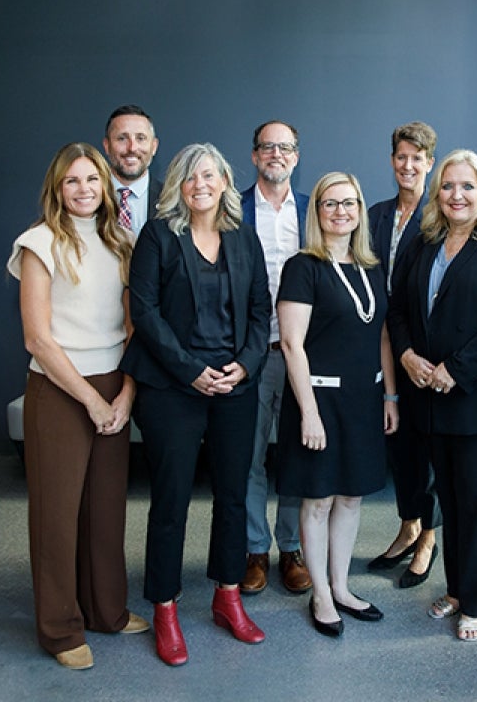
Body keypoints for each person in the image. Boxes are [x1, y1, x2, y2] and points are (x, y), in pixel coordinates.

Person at [121, 143, 271, 666]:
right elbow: (145, 312)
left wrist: (246, 365)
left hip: (234, 386)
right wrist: (190, 370)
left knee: (233, 495)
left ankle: (227, 596)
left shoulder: (244, 238)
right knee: (171, 499)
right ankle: (164, 607)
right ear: (177, 186)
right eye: (189, 177)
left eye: (208, 175)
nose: (199, 184)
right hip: (172, 387)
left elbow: (260, 312)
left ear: (225, 181)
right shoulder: (158, 236)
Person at [6, 142, 148, 671]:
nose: (84, 189)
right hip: (61, 389)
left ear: (106, 186)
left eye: (93, 179)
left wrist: (125, 394)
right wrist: (91, 400)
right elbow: (37, 339)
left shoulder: (122, 242)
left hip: (115, 383)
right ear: (57, 189)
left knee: (106, 511)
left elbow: (135, 327)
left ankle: (106, 611)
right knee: (57, 516)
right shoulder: (38, 243)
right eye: (73, 181)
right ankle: (60, 628)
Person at [387, 149, 477, 642]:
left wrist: (457, 368)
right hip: (431, 399)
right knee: (450, 500)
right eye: (448, 187)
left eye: (468, 186)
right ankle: (456, 589)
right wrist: (406, 354)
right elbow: (399, 307)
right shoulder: (424, 242)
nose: (457, 195)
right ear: (437, 195)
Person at [277, 172, 399, 637]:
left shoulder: (371, 267)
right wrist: (308, 412)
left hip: (364, 398)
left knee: (350, 496)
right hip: (320, 399)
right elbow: (291, 344)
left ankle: (342, 586)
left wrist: (389, 394)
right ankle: (321, 594)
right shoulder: (302, 267)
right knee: (319, 498)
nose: (341, 211)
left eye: (349, 202)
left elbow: (383, 333)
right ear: (317, 212)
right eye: (330, 203)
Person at [238, 120, 313, 595]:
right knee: (248, 458)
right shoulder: (233, 210)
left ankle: (290, 548)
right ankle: (252, 550)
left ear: (296, 156)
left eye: (285, 148)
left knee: (295, 456)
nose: (276, 155)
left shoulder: (313, 212)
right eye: (267, 147)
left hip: (302, 356)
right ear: (254, 156)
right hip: (252, 355)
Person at [366, 122, 442, 588]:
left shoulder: (440, 214)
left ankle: (428, 536)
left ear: (430, 163)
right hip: (381, 343)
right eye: (401, 157)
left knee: (429, 444)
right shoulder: (375, 214)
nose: (408, 165)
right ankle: (408, 524)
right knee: (401, 443)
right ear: (392, 160)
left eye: (418, 158)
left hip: (424, 347)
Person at [102, 104, 162, 236]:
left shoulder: (172, 200)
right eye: (122, 138)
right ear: (107, 146)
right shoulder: (89, 196)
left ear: (154, 146)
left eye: (141, 138)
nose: (132, 148)